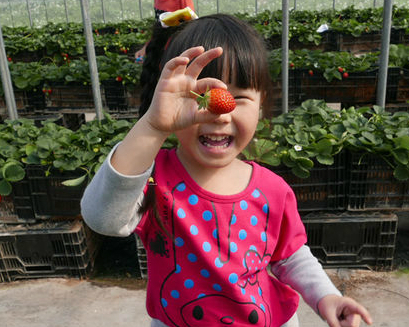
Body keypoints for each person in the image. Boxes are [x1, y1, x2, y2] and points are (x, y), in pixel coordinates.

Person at [81, 13, 373, 327]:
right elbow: (102, 218)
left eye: (240, 97)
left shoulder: (271, 189)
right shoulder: (155, 178)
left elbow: (290, 256)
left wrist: (326, 296)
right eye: (199, 97)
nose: (220, 113)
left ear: (261, 106)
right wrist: (153, 126)